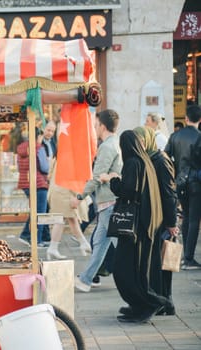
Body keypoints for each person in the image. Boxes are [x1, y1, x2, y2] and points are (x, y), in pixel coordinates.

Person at [103, 130, 166, 323]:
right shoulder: (146, 162)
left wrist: (113, 181)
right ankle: (139, 305)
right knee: (136, 270)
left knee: (125, 269)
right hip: (145, 225)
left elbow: (129, 192)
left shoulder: (132, 163)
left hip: (135, 228)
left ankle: (149, 303)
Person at [72, 109, 122, 293]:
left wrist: (79, 197)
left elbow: (95, 178)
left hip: (109, 203)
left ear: (102, 125)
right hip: (108, 204)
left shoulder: (107, 147)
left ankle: (138, 279)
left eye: (96, 123)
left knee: (120, 246)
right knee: (101, 244)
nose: (94, 126)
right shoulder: (114, 144)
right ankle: (85, 280)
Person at [132, 126, 178, 316]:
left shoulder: (160, 159)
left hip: (163, 220)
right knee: (156, 263)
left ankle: (167, 303)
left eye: (141, 140)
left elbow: (169, 193)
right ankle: (161, 302)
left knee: (164, 264)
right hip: (154, 217)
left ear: (148, 139)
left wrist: (172, 222)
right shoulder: (148, 158)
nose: (139, 144)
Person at [164, 104, 201, 270]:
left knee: (186, 217)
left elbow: (165, 156)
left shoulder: (175, 136)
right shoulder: (199, 137)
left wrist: (175, 173)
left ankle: (186, 257)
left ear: (186, 118)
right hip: (195, 182)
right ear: (199, 119)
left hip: (180, 182)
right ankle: (188, 257)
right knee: (193, 219)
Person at [46, 163, 91, 260]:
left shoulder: (57, 158)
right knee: (62, 220)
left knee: (70, 219)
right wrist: (79, 196)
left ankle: (83, 243)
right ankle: (53, 247)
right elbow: (72, 179)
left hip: (57, 191)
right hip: (65, 192)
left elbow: (49, 175)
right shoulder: (68, 159)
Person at [17, 126, 50, 248]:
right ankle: (36, 240)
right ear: (38, 136)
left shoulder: (21, 148)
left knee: (35, 211)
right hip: (39, 183)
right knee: (40, 213)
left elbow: (18, 167)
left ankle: (26, 235)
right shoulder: (38, 148)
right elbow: (45, 168)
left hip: (25, 183)